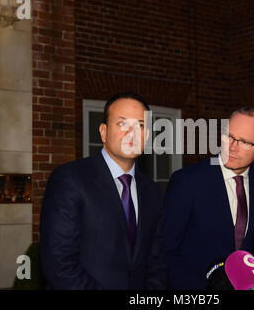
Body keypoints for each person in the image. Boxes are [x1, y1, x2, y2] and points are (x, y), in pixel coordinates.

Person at [40, 92, 166, 289]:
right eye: (122, 124)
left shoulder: (152, 191)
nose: (131, 133)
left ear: (147, 136)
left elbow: (156, 260)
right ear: (103, 132)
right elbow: (59, 263)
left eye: (140, 125)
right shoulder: (70, 179)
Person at [163, 107, 254, 289]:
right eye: (229, 136)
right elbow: (165, 252)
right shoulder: (188, 181)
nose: (231, 147)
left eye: (244, 142)